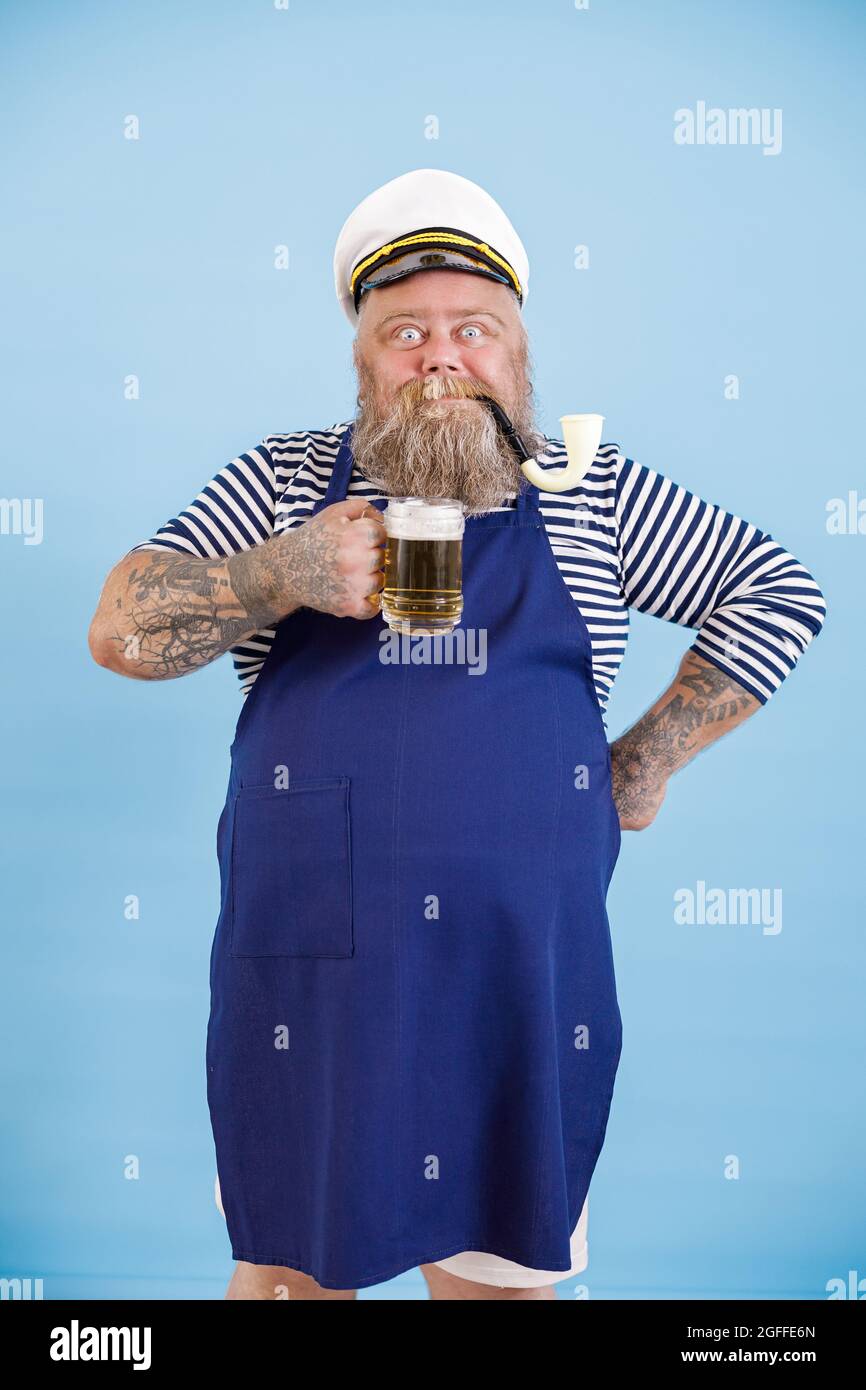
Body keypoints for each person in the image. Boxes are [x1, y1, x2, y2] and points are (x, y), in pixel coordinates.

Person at [88, 168, 826, 1301]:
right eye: (404, 334)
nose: (440, 357)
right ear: (362, 360)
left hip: (516, 975)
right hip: (312, 973)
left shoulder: (590, 491)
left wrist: (644, 757)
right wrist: (276, 571)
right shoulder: (286, 475)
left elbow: (776, 591)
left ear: (518, 354)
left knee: (501, 1277)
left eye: (471, 329)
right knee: (291, 1275)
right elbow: (122, 628)